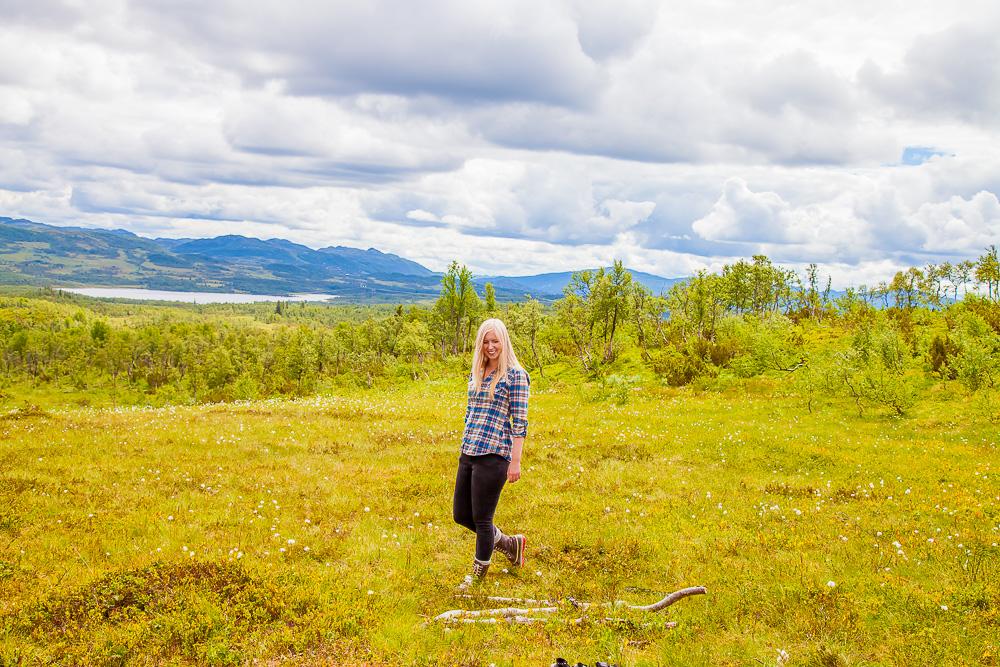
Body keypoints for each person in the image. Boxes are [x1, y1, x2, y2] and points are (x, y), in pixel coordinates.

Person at [452, 317, 530, 589]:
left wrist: (515, 461)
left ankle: (476, 577)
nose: (490, 346)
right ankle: (509, 544)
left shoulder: (515, 375)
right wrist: (464, 441)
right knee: (461, 515)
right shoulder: (477, 371)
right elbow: (469, 411)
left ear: (504, 341)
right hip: (470, 450)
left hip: (495, 454)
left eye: (495, 341)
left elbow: (520, 422)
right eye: (486, 341)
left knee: (482, 519)